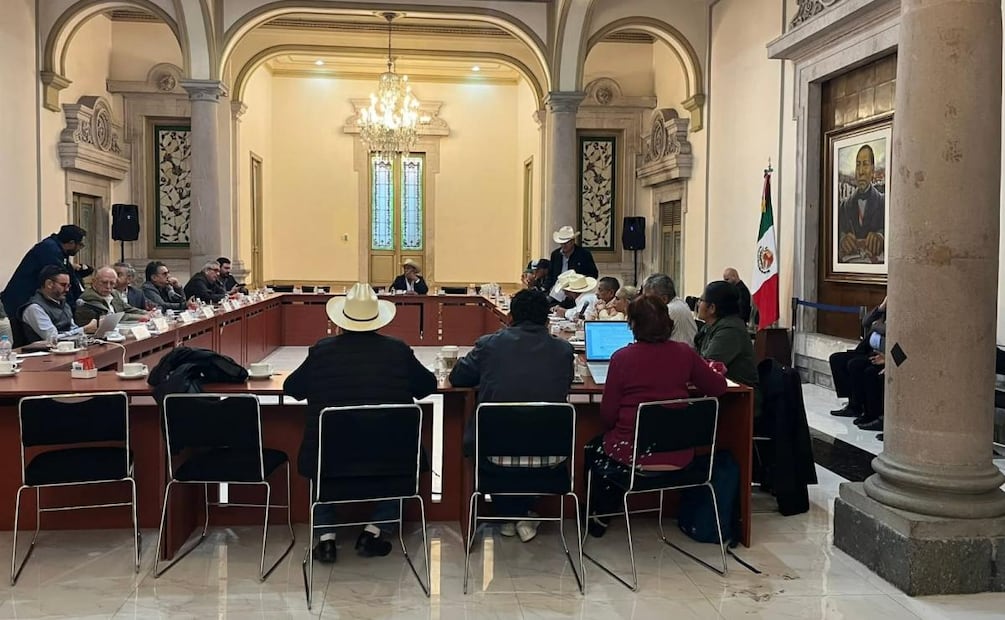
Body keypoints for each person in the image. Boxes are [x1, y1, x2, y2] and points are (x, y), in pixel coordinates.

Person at [284, 283, 437, 564]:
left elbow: (292, 388)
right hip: (390, 459)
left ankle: (326, 537)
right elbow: (428, 385)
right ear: (377, 320)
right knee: (401, 457)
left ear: (342, 320)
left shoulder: (322, 351)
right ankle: (375, 530)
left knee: (323, 453)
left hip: (331, 461)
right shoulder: (397, 350)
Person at [585, 296, 727, 537]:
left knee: (592, 447)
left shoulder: (622, 358)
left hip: (631, 453)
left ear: (632, 325)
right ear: (667, 323)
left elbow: (608, 415)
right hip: (679, 453)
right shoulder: (685, 353)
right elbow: (718, 388)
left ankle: (599, 515)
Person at [449, 289, 574, 543]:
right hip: (550, 453)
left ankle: (510, 513)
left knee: (506, 434)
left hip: (491, 453)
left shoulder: (489, 344)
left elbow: (458, 377)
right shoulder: (563, 351)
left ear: (510, 316)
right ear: (547, 319)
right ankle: (518, 514)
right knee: (528, 432)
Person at [1, 225, 93, 330]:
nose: (81, 248)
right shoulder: (50, 251)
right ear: (71, 243)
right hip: (20, 304)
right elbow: (59, 279)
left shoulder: (55, 248)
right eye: (80, 245)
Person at [694, 281, 760, 412]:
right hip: (722, 394)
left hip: (739, 401)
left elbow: (706, 365)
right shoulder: (711, 326)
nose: (697, 304)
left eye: (701, 300)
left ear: (712, 308)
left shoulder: (730, 330)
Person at [829, 297, 887, 425]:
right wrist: (882, 306)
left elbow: (887, 329)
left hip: (883, 354)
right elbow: (866, 322)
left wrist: (877, 326)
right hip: (868, 349)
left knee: (855, 365)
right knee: (837, 359)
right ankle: (853, 405)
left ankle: (865, 409)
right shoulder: (883, 311)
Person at [19, 265, 93, 344]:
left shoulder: (64, 304)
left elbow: (72, 328)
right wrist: (84, 329)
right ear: (49, 284)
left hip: (67, 349)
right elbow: (52, 338)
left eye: (68, 286)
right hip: (44, 354)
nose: (67, 289)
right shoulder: (34, 308)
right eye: (63, 285)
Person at [837, 144, 885, 263]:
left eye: (865, 164)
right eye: (858, 165)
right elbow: (836, 233)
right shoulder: (844, 206)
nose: (861, 171)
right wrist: (842, 240)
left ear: (873, 170)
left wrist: (881, 237)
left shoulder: (883, 203)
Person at [75, 266, 147, 326]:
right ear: (94, 281)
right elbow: (112, 318)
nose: (108, 286)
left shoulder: (114, 293)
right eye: (104, 282)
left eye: (112, 283)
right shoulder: (88, 298)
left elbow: (128, 308)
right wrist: (143, 317)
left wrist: (147, 313)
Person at [641, 273, 697, 347]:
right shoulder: (680, 303)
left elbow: (647, 341)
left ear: (664, 299)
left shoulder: (669, 311)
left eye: (648, 299)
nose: (644, 302)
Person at [545, 226, 598, 295]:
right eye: (561, 243)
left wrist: (581, 281)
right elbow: (550, 275)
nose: (563, 245)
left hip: (576, 292)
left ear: (573, 241)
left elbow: (593, 274)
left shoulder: (584, 254)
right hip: (557, 291)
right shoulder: (555, 255)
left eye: (566, 243)